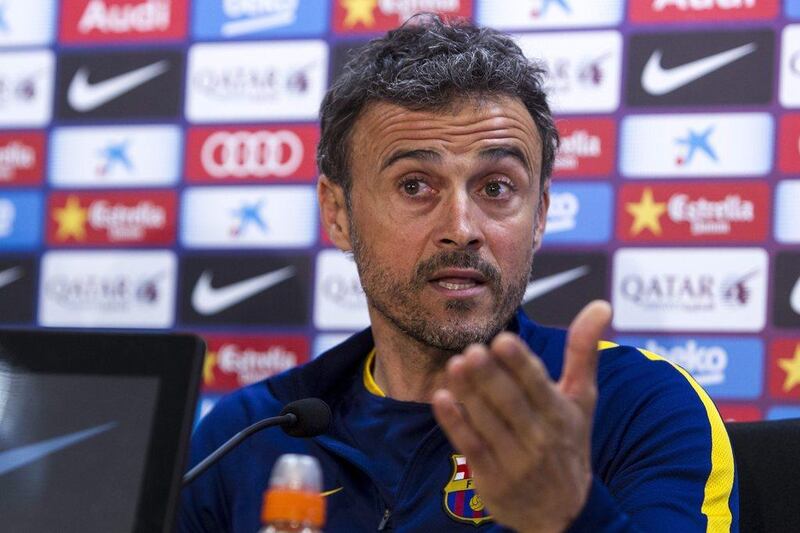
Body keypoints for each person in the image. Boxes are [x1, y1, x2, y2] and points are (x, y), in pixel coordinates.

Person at [179, 16, 738, 532]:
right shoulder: (248, 435)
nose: (462, 227)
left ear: (539, 215)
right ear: (338, 213)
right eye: (415, 185)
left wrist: (571, 515)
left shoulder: (641, 406)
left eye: (496, 187)